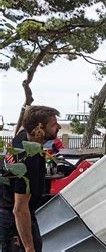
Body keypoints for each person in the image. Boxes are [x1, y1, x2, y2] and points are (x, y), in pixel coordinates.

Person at [0, 106, 61, 252]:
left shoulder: (22, 137)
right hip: (14, 221)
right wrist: (29, 248)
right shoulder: (28, 162)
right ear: (38, 128)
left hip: (10, 210)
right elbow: (19, 210)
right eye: (53, 124)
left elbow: (26, 119)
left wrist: (27, 101)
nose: (58, 127)